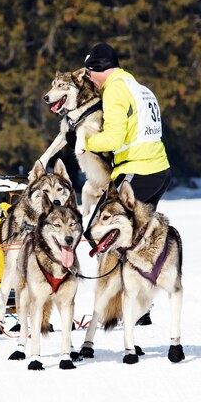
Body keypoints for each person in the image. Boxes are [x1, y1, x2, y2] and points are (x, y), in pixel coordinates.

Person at [84, 42, 172, 325]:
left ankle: (109, 307)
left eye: (89, 74)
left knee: (97, 233)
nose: (88, 80)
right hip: (159, 171)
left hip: (137, 172)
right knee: (138, 241)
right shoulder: (138, 87)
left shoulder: (115, 90)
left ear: (99, 70)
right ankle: (140, 310)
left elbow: (114, 139)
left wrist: (84, 140)